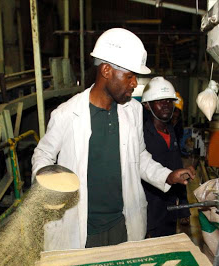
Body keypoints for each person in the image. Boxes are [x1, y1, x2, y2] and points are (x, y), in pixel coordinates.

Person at [31, 28, 195, 250]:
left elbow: (139, 157)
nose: (135, 83)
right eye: (129, 76)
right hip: (82, 227)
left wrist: (167, 176)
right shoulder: (67, 114)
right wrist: (48, 184)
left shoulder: (133, 112)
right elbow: (43, 154)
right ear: (107, 71)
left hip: (122, 224)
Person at [141, 77, 193, 237]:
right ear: (147, 106)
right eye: (159, 101)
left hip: (170, 212)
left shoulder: (171, 131)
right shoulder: (141, 135)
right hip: (148, 215)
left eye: (169, 101)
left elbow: (176, 168)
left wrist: (183, 206)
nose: (166, 105)